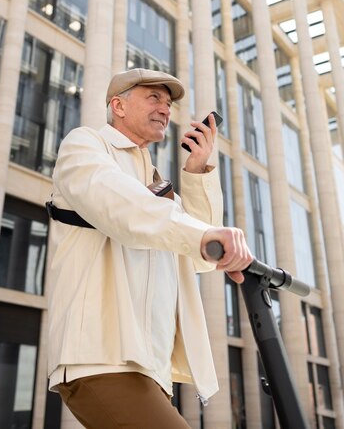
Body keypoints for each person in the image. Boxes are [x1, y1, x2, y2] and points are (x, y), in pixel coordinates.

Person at [47, 68, 253, 429]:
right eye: (153, 97)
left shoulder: (154, 179)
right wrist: (206, 238)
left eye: (168, 102)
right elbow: (121, 206)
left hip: (150, 367)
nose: (165, 109)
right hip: (103, 358)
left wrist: (197, 171)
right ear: (118, 106)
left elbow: (194, 258)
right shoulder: (86, 145)